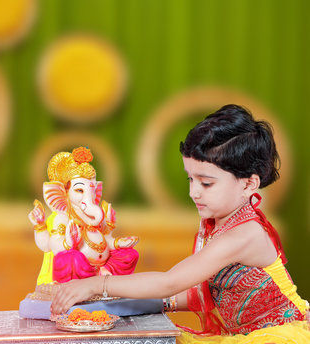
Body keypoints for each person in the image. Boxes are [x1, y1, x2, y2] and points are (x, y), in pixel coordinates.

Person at [51, 104, 310, 343]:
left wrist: (97, 285)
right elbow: (202, 292)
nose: (194, 192)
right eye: (190, 180)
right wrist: (122, 302)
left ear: (248, 184)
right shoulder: (218, 223)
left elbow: (170, 282)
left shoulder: (244, 233)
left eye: (206, 183)